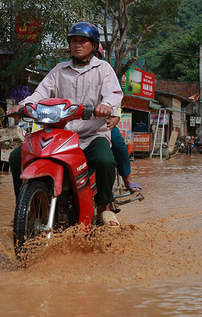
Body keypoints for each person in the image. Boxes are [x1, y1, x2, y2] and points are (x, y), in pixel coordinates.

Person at [7, 22, 123, 226]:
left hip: (91, 134)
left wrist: (106, 105)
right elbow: (40, 93)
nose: (78, 45)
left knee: (106, 161)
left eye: (83, 41)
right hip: (61, 134)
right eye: (74, 41)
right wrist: (22, 106)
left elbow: (113, 94)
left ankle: (105, 206)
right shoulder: (59, 70)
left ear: (94, 45)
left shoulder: (103, 69)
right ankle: (24, 210)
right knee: (17, 156)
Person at [95, 44, 142, 193]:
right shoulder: (64, 71)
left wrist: (115, 118)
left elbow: (116, 99)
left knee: (119, 145)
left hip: (101, 124)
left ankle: (127, 179)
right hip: (72, 124)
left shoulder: (106, 73)